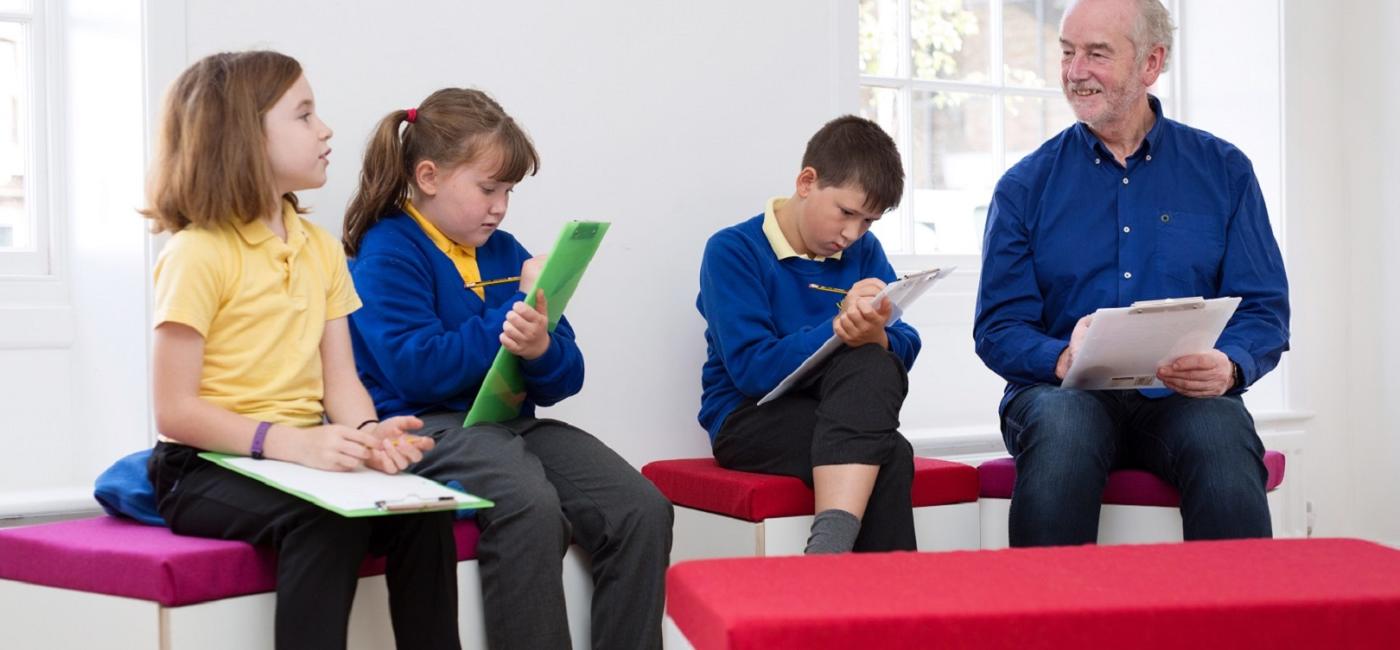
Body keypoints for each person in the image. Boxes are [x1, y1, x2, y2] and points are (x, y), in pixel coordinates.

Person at [143, 51, 459, 650]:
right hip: (201, 466)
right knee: (325, 520)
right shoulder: (196, 254)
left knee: (424, 509)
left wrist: (370, 435)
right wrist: (289, 443)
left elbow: (339, 380)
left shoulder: (318, 247)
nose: (325, 129)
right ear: (243, 136)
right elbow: (175, 411)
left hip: (293, 456)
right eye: (304, 115)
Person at [342, 88, 673, 650]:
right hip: (426, 425)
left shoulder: (506, 250)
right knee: (528, 501)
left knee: (641, 506)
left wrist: (540, 347)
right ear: (428, 176)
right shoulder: (387, 251)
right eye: (487, 188)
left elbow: (568, 377)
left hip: (507, 425)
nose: (500, 206)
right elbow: (414, 369)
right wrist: (509, 316)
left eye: (509, 191)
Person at [973, 0, 1289, 546]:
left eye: (1097, 54)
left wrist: (1229, 366)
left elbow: (1262, 308)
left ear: (1151, 63)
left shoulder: (1224, 171)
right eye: (1068, 53)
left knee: (1221, 432)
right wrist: (1061, 358)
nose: (1075, 72)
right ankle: (1046, 627)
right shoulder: (1024, 187)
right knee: (1066, 427)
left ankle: (1235, 626)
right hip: (1059, 396)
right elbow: (998, 327)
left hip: (1181, 400)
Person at [696, 115, 922, 554]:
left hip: (840, 411)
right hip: (748, 417)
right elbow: (752, 371)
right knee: (888, 452)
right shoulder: (733, 250)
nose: (852, 234)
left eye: (868, 222)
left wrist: (877, 335)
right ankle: (864, 589)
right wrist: (840, 326)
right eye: (847, 213)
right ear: (806, 182)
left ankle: (837, 573)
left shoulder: (863, 251)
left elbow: (907, 340)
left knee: (874, 362)